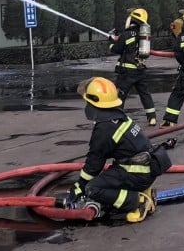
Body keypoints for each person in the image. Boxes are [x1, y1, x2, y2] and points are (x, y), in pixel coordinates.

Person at [65, 77, 170, 222]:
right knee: (110, 176)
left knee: (93, 189)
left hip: (138, 174)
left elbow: (94, 165)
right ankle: (144, 193)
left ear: (94, 103)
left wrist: (79, 187)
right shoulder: (119, 116)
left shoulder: (104, 129)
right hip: (146, 170)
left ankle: (138, 202)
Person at [110, 8, 157, 126]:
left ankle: (116, 119)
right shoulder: (143, 35)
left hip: (127, 72)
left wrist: (111, 42)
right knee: (145, 94)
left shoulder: (126, 34)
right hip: (140, 70)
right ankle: (152, 118)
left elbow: (117, 49)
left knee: (120, 94)